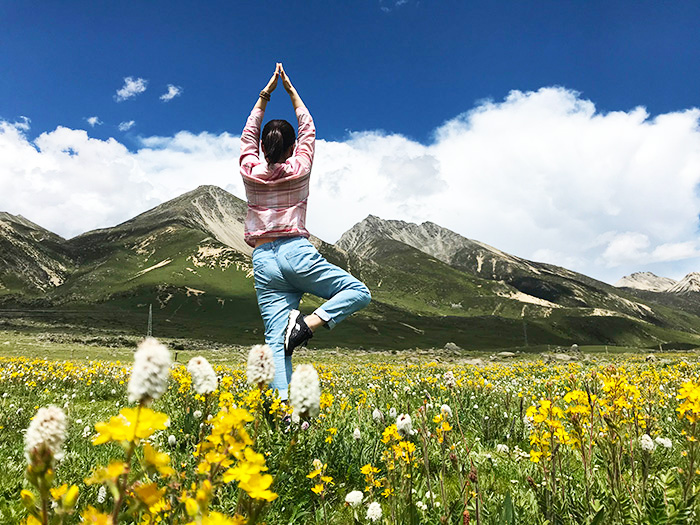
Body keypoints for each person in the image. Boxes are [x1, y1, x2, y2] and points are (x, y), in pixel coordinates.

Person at [240, 63, 371, 401]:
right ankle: (309, 324)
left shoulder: (249, 170)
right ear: (292, 147)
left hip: (264, 262)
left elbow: (247, 135)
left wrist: (264, 94)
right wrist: (290, 90)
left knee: (275, 340)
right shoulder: (300, 168)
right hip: (296, 252)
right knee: (358, 292)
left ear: (262, 149)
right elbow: (308, 129)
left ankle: (284, 413)